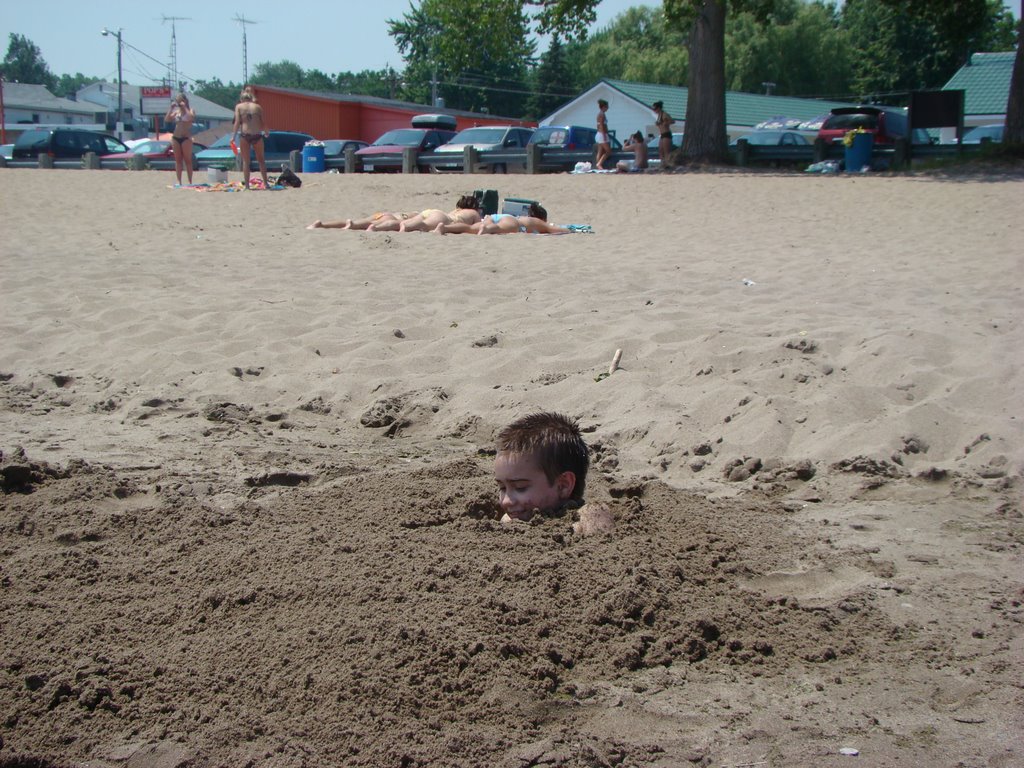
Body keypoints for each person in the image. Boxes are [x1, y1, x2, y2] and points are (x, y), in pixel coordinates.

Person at [494, 411, 613, 533]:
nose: (506, 501)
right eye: (502, 488)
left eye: (520, 487)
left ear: (563, 486)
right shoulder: (510, 519)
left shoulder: (590, 515)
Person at [432, 203, 574, 235]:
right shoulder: (537, 222)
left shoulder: (525, 218)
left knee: (469, 228)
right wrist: (570, 229)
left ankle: (443, 228)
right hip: (510, 222)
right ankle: (487, 228)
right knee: (497, 228)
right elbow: (555, 229)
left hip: (493, 217)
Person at [232, 86, 269, 189]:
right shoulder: (258, 107)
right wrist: (266, 132)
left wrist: (233, 136)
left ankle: (247, 186)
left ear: (242, 99)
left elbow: (237, 122)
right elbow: (263, 122)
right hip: (257, 134)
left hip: (245, 135)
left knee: (246, 161)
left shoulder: (239, 107)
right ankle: (266, 183)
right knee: (261, 160)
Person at [397, 195, 482, 232]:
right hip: (442, 217)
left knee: (411, 221)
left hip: (433, 212)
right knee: (424, 225)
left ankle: (403, 224)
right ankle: (406, 227)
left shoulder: (456, 210)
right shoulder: (474, 213)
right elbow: (478, 227)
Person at [164, 93, 196, 185]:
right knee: (178, 160)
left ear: (185, 101)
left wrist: (185, 107)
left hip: (186, 137)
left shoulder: (190, 110)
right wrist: (171, 108)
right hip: (176, 137)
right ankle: (179, 180)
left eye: (181, 100)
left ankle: (190, 181)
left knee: (187, 160)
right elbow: (167, 119)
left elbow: (191, 117)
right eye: (178, 101)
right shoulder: (177, 112)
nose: (179, 103)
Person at [307, 212, 414, 230]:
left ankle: (322, 225)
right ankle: (353, 225)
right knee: (370, 224)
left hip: (383, 213)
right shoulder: (423, 214)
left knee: (360, 221)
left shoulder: (417, 212)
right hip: (393, 218)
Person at [653, 100, 675, 168]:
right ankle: (663, 164)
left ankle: (668, 165)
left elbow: (672, 121)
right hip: (662, 135)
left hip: (666, 134)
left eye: (655, 109)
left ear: (659, 108)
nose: (654, 110)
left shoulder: (664, 114)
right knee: (660, 151)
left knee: (666, 152)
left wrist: (666, 123)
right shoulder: (659, 116)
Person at [595, 99, 611, 170]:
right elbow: (601, 125)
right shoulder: (601, 115)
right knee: (608, 151)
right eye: (607, 106)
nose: (608, 108)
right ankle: (599, 164)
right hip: (602, 134)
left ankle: (598, 165)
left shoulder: (600, 114)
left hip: (599, 134)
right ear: (604, 107)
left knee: (600, 150)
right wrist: (604, 136)